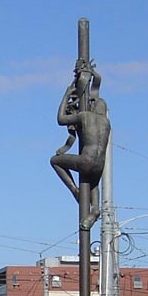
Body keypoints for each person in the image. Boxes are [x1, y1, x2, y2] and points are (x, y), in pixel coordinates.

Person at [50, 64, 111, 229]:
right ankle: (95, 210)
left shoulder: (85, 116)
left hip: (86, 160)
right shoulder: (106, 122)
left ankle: (75, 191)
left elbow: (61, 119)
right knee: (93, 182)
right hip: (99, 164)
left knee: (55, 160)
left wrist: (67, 94)